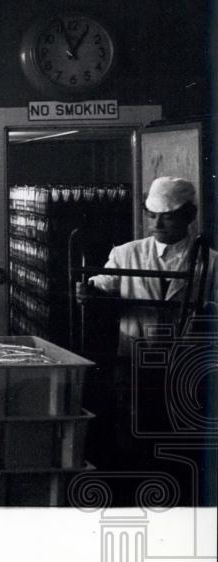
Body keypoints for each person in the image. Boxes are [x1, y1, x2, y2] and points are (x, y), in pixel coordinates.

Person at [84, 176, 217, 505]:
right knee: (131, 433)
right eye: (151, 214)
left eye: (168, 215)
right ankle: (135, 498)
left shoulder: (211, 262)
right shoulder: (127, 253)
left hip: (186, 364)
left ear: (189, 214)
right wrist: (88, 290)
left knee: (178, 440)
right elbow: (102, 284)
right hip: (133, 359)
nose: (157, 223)